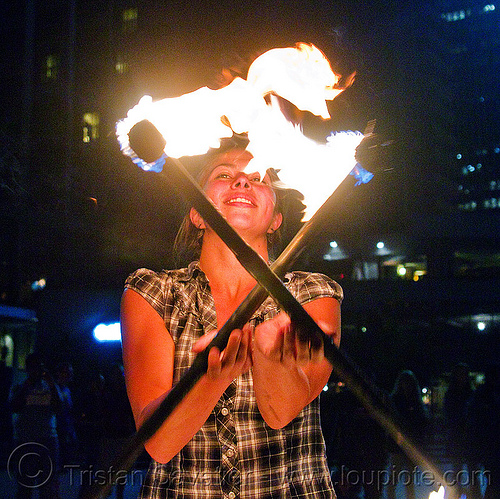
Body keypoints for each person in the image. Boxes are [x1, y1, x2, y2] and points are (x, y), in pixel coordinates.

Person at [121, 139, 342, 499]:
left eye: (259, 178)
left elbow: (281, 412)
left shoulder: (311, 295)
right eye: (224, 175)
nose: (242, 182)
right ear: (197, 213)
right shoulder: (153, 292)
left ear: (275, 220)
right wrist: (211, 376)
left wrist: (270, 355)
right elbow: (158, 444)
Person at [10, 352, 62, 499]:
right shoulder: (20, 385)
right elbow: (14, 406)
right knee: (25, 484)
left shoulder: (50, 386)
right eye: (33, 368)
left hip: (48, 439)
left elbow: (58, 408)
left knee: (47, 484)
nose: (37, 372)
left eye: (39, 368)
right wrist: (27, 385)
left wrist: (52, 385)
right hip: (25, 439)